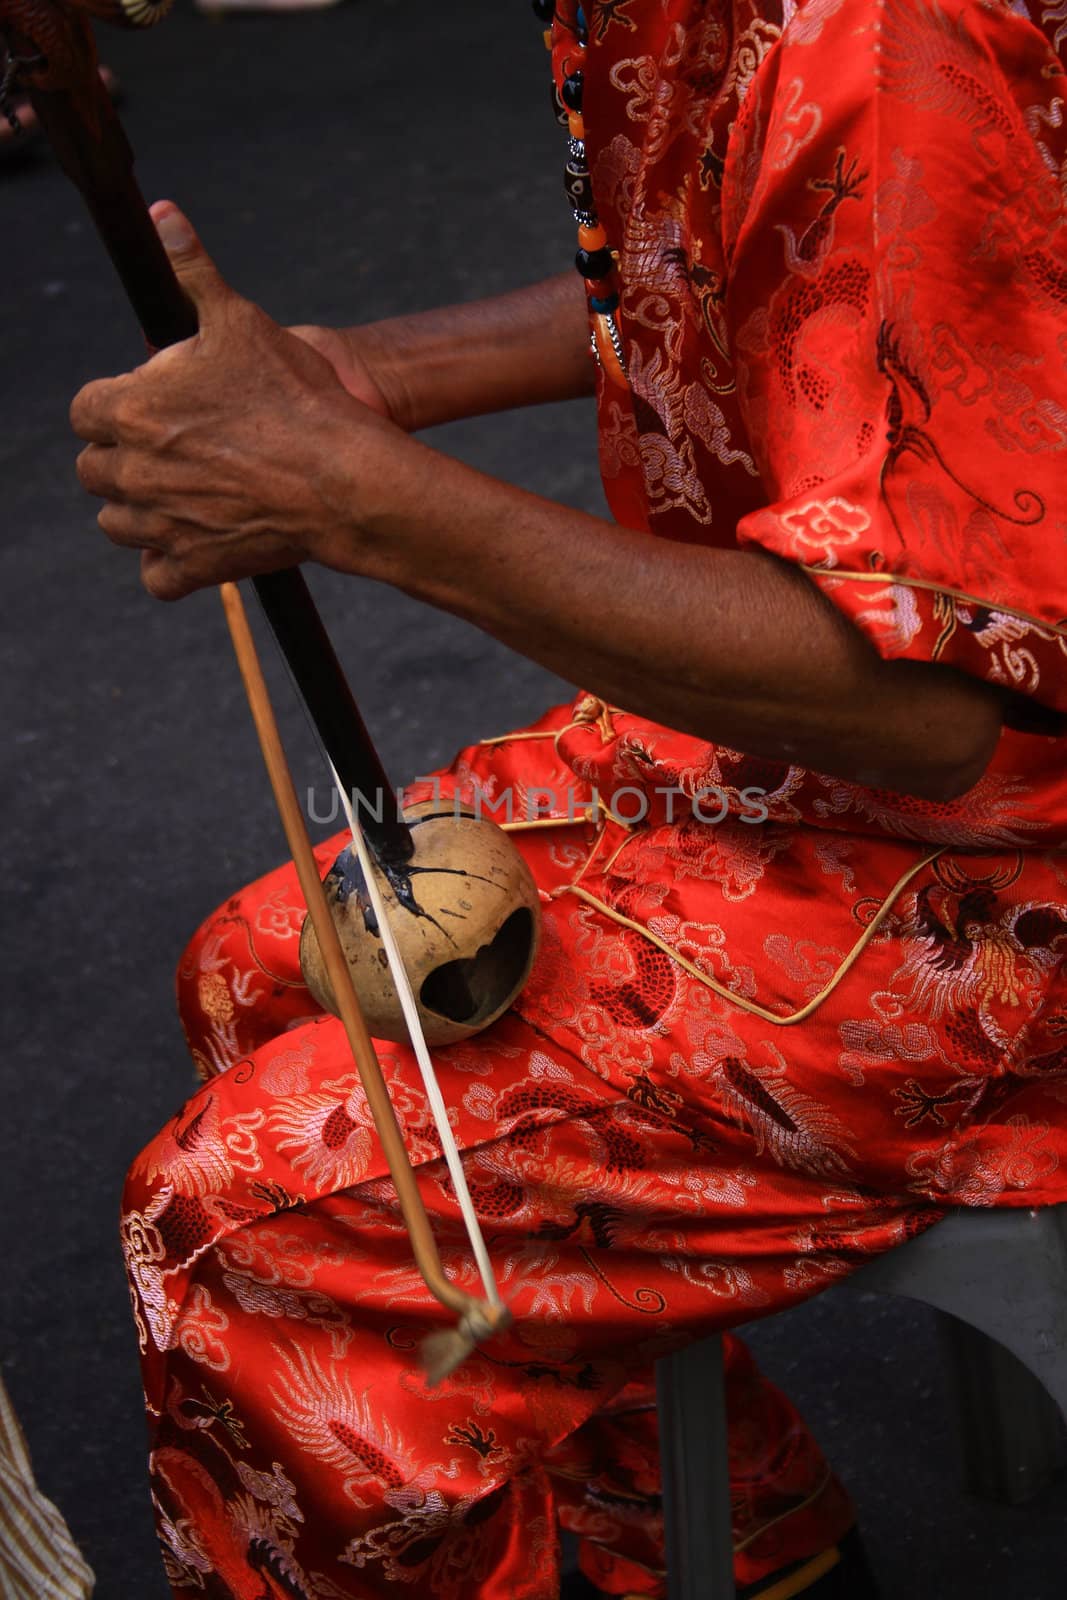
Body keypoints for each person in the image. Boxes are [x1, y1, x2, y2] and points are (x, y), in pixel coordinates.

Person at [69, 1, 1067, 1596]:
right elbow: (782, 283)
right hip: (844, 772)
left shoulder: (883, 34)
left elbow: (939, 710)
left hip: (1004, 863)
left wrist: (355, 499)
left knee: (253, 1227)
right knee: (268, 966)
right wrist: (374, 381)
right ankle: (735, 1548)